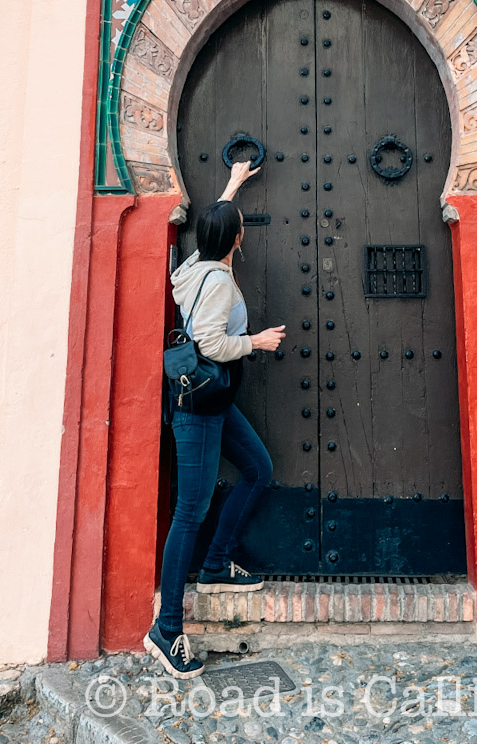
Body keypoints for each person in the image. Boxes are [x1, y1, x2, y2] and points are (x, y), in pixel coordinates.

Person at [144, 160, 286, 678]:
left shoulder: (190, 267)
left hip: (214, 402)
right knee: (189, 512)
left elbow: (214, 224)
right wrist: (257, 341)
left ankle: (216, 563)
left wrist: (233, 183)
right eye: (240, 227)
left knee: (257, 468)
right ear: (237, 240)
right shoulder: (220, 283)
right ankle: (166, 631)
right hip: (198, 409)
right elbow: (208, 343)